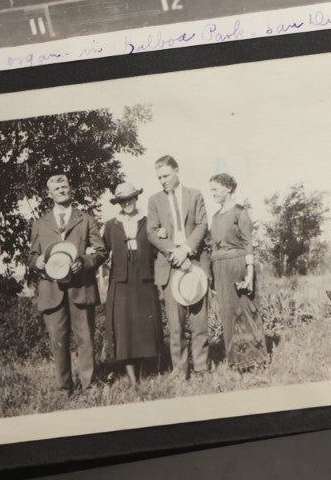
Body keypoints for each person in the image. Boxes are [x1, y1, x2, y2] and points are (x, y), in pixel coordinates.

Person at [28, 172, 107, 394]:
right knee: (57, 342)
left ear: (70, 189)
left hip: (81, 288)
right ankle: (64, 389)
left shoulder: (86, 219)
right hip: (52, 291)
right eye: (57, 189)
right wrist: (39, 263)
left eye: (65, 187)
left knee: (86, 340)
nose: (62, 191)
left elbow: (101, 252)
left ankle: (89, 386)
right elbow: (31, 257)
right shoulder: (40, 224)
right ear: (49, 194)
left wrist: (83, 261)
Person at [147, 156, 211, 377]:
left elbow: (202, 224)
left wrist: (186, 249)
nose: (162, 181)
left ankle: (202, 368)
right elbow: (151, 232)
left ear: (176, 171)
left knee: (199, 321)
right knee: (176, 325)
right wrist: (173, 251)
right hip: (170, 265)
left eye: (165, 175)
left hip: (195, 262)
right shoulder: (154, 200)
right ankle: (180, 371)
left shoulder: (195, 195)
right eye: (159, 177)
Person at [102, 182, 164, 383]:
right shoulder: (111, 225)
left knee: (144, 325)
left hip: (144, 278)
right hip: (120, 281)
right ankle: (131, 378)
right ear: (118, 202)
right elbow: (103, 251)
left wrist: (163, 235)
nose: (127, 203)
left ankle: (145, 372)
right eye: (122, 200)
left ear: (136, 198)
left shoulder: (148, 222)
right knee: (124, 327)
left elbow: (156, 249)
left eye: (130, 198)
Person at [205, 172, 267, 370]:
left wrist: (249, 273)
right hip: (220, 269)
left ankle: (255, 359)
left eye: (215, 189)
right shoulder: (214, 217)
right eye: (211, 189)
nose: (212, 193)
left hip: (239, 266)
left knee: (245, 311)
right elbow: (213, 247)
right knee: (228, 314)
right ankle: (235, 361)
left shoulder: (240, 213)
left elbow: (248, 243)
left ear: (228, 188)